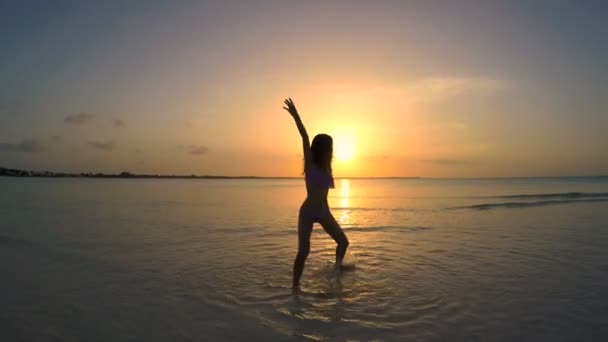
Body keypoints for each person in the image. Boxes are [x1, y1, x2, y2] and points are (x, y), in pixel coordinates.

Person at [283, 98, 349, 290]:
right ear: (322, 148)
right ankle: (295, 288)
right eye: (329, 146)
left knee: (343, 242)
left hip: (323, 212)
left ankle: (336, 270)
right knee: (304, 251)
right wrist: (296, 116)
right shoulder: (310, 164)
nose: (331, 150)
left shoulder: (327, 168)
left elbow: (324, 196)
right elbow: (304, 137)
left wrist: (327, 215)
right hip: (307, 212)